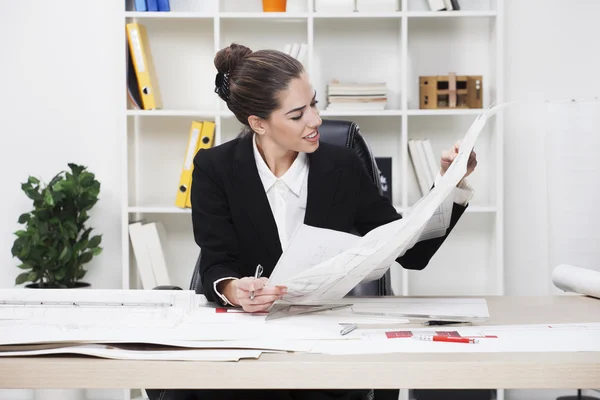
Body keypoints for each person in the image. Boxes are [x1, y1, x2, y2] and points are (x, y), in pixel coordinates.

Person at [168, 43, 476, 400]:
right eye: (298, 114)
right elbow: (216, 261)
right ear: (258, 123)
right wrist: (236, 290)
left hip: (323, 348)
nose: (316, 120)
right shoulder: (215, 168)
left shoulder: (341, 166)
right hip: (249, 344)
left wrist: (449, 185)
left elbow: (411, 251)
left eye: (313, 103)